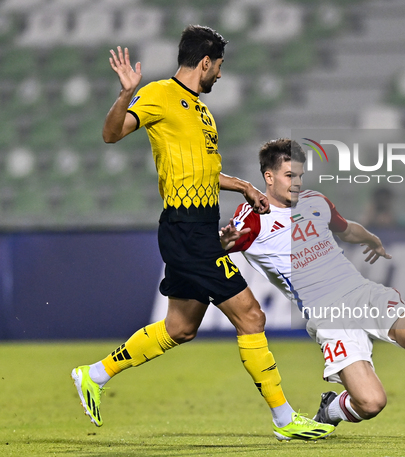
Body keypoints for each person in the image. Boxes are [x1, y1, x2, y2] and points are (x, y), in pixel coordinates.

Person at [70, 26, 334, 441]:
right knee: (252, 316)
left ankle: (94, 374)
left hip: (195, 228)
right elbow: (110, 134)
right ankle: (285, 419)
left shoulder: (202, 112)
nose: (221, 76)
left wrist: (246, 186)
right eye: (220, 67)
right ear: (205, 62)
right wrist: (125, 94)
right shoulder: (158, 95)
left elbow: (206, 172)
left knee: (179, 327)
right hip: (185, 230)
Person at [221, 138, 405, 429]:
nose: (297, 183)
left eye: (300, 175)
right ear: (269, 177)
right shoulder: (253, 219)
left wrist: (370, 238)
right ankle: (331, 409)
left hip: (362, 293)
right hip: (328, 315)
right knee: (371, 403)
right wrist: (225, 241)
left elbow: (346, 228)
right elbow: (225, 241)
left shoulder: (315, 201)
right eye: (289, 175)